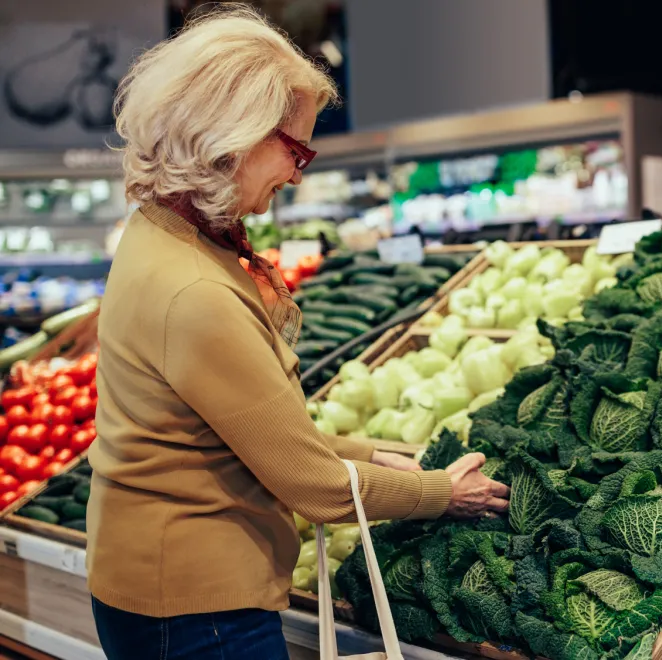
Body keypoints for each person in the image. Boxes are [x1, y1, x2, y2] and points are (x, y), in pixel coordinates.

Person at [86, 7, 510, 658]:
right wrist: (440, 494)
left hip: (152, 581)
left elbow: (238, 434)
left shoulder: (159, 233)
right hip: (199, 609)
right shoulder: (196, 291)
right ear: (235, 134)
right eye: (297, 150)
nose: (299, 174)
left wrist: (374, 455)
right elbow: (309, 482)